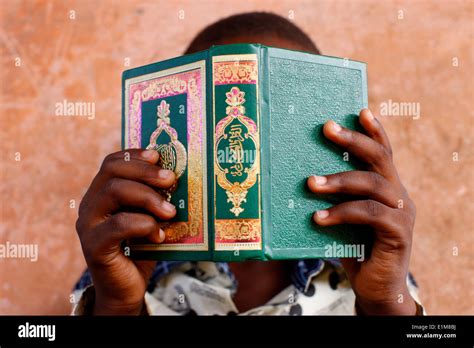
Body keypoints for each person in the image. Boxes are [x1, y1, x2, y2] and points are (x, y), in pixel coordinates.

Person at [72, 12, 422, 316]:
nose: (249, 154)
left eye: (286, 130)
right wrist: (118, 307)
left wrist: (384, 305)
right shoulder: (121, 267)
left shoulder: (371, 269)